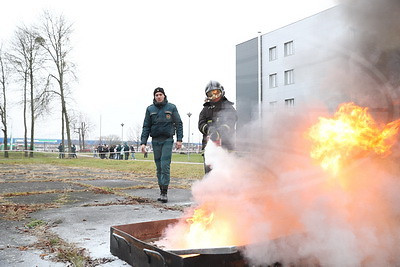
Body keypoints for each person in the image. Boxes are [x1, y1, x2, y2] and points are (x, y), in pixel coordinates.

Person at [140, 87, 183, 203]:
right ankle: (161, 190)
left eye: (160, 94)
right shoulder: (150, 109)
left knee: (165, 166)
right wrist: (143, 142)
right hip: (155, 141)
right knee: (158, 167)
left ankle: (165, 193)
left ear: (164, 95)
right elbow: (146, 126)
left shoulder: (171, 108)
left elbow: (178, 123)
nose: (158, 96)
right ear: (154, 97)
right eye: (156, 95)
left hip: (167, 140)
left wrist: (180, 139)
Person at [198, 80, 237, 173]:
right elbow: (200, 124)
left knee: (225, 175)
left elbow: (230, 123)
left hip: (225, 147)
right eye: (210, 94)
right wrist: (209, 130)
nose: (214, 96)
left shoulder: (229, 107)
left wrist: (219, 132)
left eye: (216, 93)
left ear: (221, 92)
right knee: (209, 175)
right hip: (209, 148)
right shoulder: (205, 109)